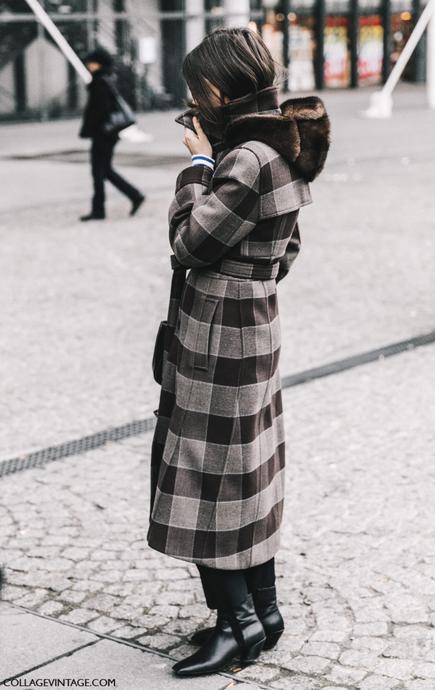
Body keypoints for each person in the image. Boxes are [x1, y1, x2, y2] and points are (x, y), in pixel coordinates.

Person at [147, 27, 330, 677]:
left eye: (197, 92)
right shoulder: (283, 145)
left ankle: (238, 627)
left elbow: (189, 244)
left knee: (208, 477)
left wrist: (197, 165)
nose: (193, 104)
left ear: (218, 89)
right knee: (246, 471)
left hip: (219, 331)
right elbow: (289, 251)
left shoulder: (244, 158)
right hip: (256, 321)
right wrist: (250, 280)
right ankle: (264, 609)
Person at [79, 47, 144, 221]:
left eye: (91, 62)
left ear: (98, 63)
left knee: (98, 172)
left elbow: (101, 110)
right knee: (104, 170)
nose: (88, 65)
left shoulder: (99, 82)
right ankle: (134, 195)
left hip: (103, 134)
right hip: (108, 133)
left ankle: (99, 210)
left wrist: (92, 127)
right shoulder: (106, 79)